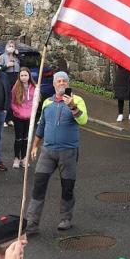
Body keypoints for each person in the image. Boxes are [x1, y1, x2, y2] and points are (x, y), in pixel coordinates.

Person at [24, 72, 88, 233]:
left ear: (68, 83)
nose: (61, 83)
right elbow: (41, 125)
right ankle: (32, 222)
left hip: (68, 153)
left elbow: (83, 120)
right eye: (58, 81)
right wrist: (34, 146)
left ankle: (65, 218)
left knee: (67, 187)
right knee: (38, 186)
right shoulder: (47, 102)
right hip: (47, 152)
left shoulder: (78, 100)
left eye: (64, 81)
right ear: (53, 84)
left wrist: (72, 106)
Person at [9, 68, 36, 169]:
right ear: (19, 77)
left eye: (25, 75)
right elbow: (12, 102)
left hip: (29, 117)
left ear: (29, 76)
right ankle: (16, 157)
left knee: (26, 139)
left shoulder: (34, 87)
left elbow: (36, 100)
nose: (24, 77)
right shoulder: (16, 87)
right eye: (22, 76)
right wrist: (17, 111)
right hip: (19, 116)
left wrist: (32, 111)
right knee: (18, 138)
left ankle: (24, 158)